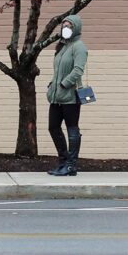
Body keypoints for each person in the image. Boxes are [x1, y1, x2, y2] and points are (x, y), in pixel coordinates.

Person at [46, 14, 87, 176]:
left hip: (70, 97)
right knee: (53, 127)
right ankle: (63, 161)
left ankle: (71, 165)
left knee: (72, 129)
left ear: (75, 28)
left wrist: (64, 84)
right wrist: (52, 85)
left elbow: (78, 70)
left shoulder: (79, 47)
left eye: (69, 26)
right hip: (56, 97)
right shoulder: (62, 46)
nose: (65, 29)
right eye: (64, 26)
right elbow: (58, 71)